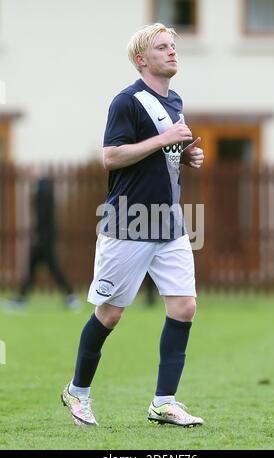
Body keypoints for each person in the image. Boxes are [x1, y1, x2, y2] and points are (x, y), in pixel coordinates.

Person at [61, 23, 204, 426]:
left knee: (184, 306)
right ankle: (77, 393)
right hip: (128, 222)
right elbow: (111, 156)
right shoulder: (127, 101)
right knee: (109, 315)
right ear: (142, 59)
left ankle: (164, 402)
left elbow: (164, 155)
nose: (172, 52)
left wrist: (185, 155)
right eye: (162, 47)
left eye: (173, 46)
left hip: (170, 222)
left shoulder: (174, 100)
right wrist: (165, 141)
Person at [10, 175, 81, 310]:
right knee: (33, 268)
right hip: (45, 237)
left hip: (44, 239)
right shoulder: (48, 194)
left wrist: (40, 236)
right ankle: (21, 298)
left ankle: (71, 296)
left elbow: (43, 218)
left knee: (50, 268)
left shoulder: (43, 195)